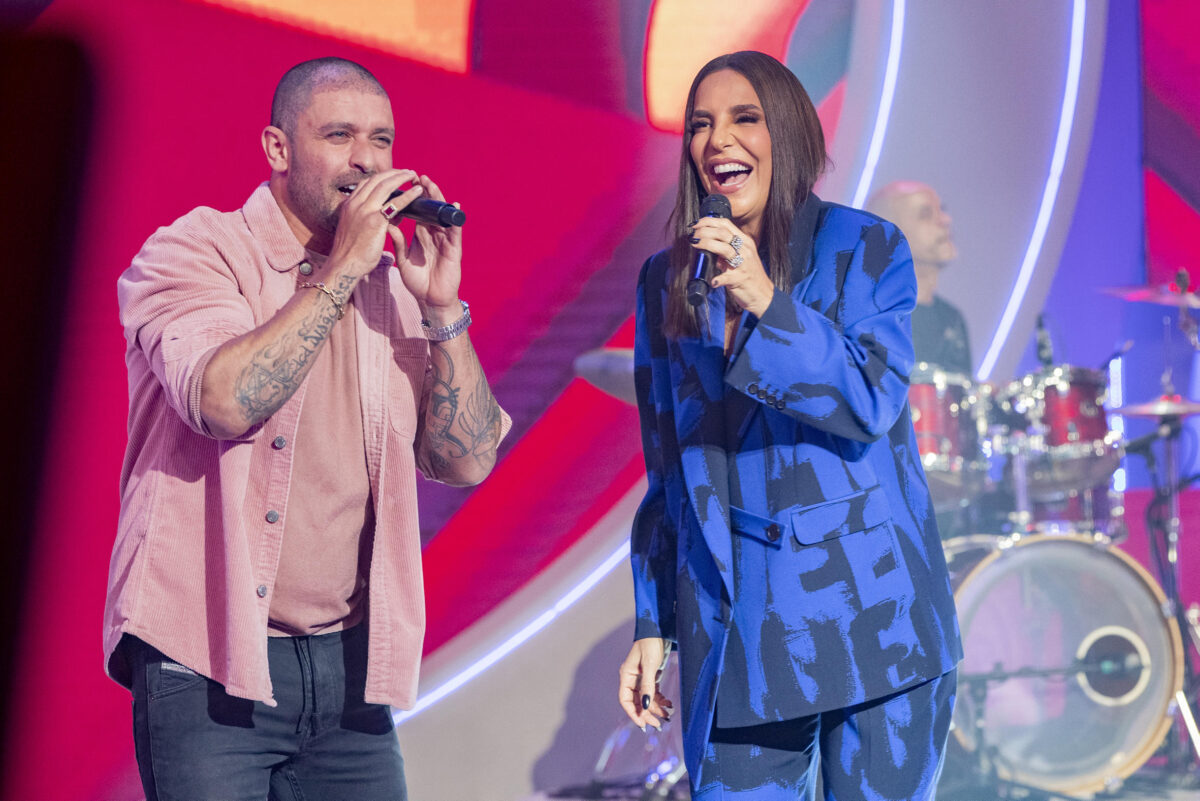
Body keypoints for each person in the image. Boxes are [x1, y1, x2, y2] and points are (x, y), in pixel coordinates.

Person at [103, 57, 508, 800]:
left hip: (349, 674)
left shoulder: (394, 289)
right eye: (341, 135)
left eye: (381, 139)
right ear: (278, 149)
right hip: (208, 661)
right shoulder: (194, 252)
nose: (367, 159)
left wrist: (445, 312)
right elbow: (224, 401)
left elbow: (467, 459)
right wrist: (344, 269)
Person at [617, 52, 962, 800]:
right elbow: (669, 467)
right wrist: (654, 621)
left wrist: (768, 303)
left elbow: (871, 397)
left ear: (791, 131)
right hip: (739, 626)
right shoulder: (666, 280)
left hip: (878, 622)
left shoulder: (866, 249)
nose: (717, 141)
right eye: (702, 124)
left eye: (745, 118)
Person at [867, 181, 971, 374]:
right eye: (925, 215)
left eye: (942, 211)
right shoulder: (868, 315)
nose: (945, 220)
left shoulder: (951, 318)